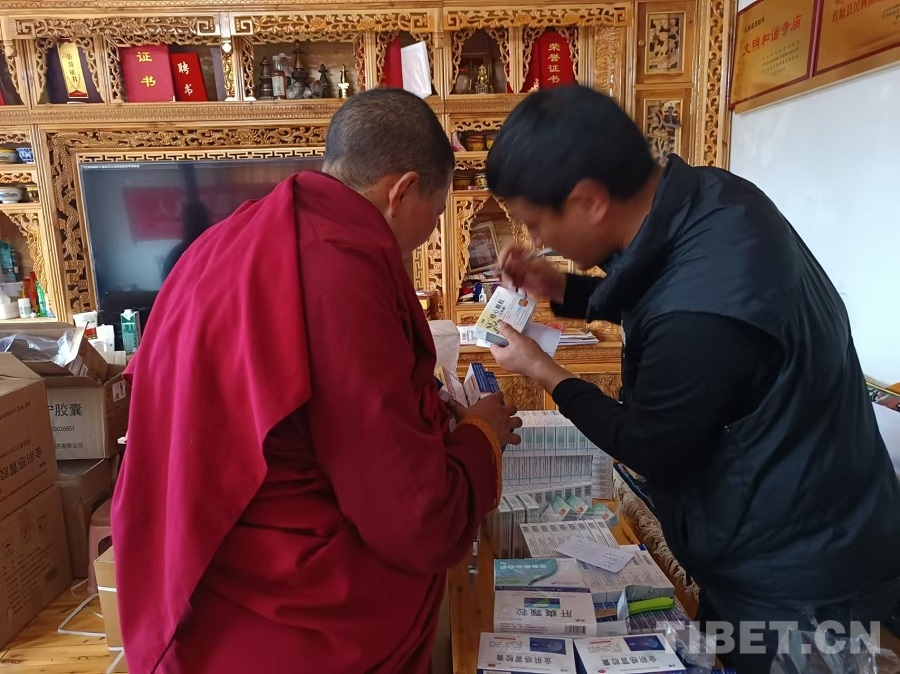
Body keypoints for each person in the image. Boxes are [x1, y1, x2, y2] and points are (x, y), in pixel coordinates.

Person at [484, 84, 900, 674]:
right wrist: (560, 287)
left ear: (589, 201)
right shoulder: (713, 198)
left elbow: (651, 445)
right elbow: (652, 283)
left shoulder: (699, 316)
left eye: (537, 223)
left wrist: (542, 370)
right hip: (797, 518)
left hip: (797, 573)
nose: (538, 242)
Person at [112, 88, 521, 673]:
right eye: (432, 220)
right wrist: (480, 435)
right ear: (401, 191)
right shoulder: (342, 267)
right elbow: (412, 520)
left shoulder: (231, 238)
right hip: (290, 619)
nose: (425, 240)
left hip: (198, 568)